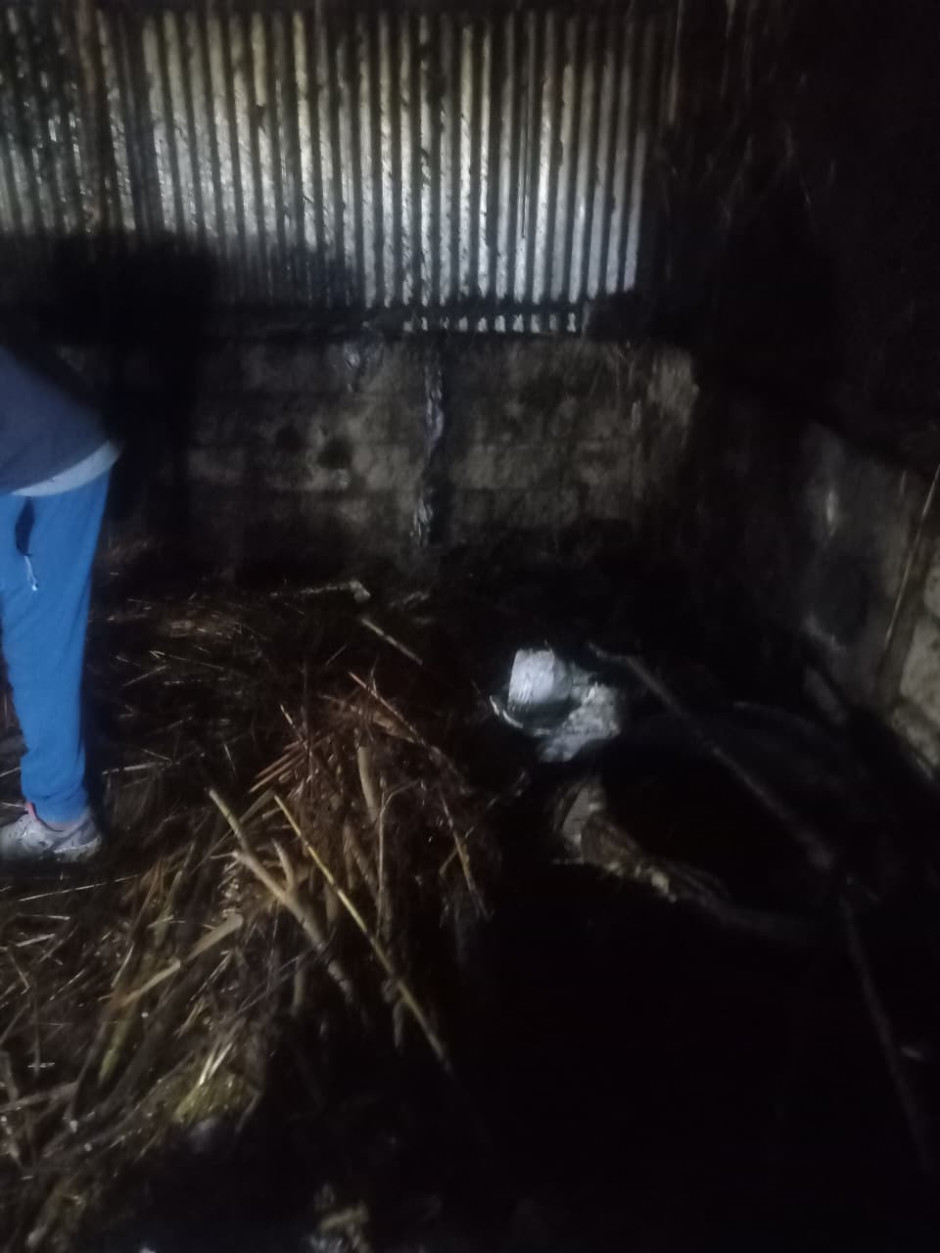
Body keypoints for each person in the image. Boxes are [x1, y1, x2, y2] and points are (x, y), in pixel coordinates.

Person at [0, 342, 118, 863]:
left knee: (38, 639)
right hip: (50, 430)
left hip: (44, 459)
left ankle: (64, 820)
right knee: (37, 631)